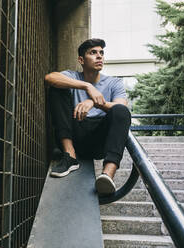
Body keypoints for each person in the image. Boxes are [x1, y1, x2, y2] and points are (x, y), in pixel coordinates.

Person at [44, 38, 131, 195]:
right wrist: (87, 86)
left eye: (101, 53)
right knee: (57, 88)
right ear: (81, 60)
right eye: (93, 53)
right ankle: (70, 157)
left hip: (98, 138)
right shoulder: (72, 76)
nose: (99, 56)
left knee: (121, 111)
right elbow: (50, 78)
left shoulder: (114, 83)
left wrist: (94, 102)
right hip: (74, 132)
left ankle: (107, 175)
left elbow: (121, 106)